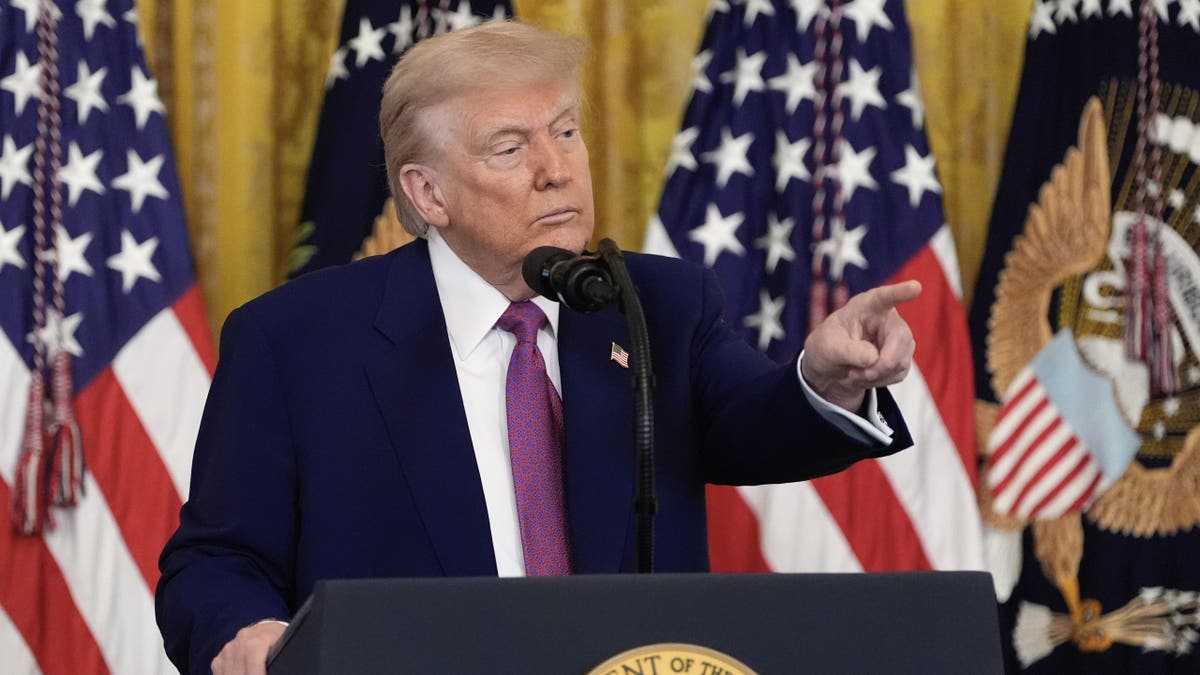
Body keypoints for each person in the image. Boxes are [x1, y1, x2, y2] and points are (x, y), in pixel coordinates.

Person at [156, 20, 920, 675]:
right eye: (510, 148)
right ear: (428, 195)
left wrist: (823, 376)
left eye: (564, 131)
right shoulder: (296, 341)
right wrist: (243, 630)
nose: (557, 170)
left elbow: (754, 422)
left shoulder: (654, 303)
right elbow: (216, 561)